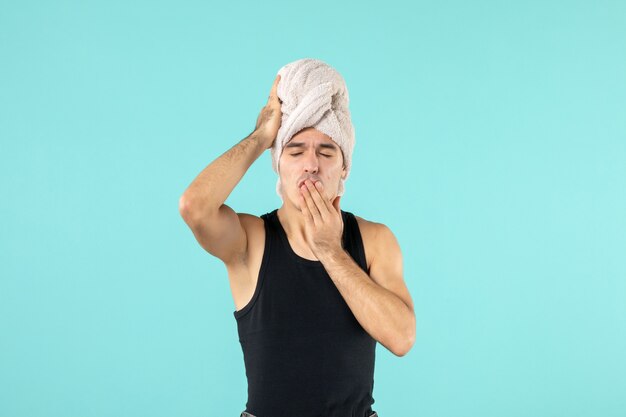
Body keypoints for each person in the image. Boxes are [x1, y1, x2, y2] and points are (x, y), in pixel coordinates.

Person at [179, 59, 415, 417]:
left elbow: (401, 338)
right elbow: (194, 207)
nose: (311, 164)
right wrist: (261, 137)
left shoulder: (374, 239)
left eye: (326, 151)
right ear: (278, 162)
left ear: (344, 167)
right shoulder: (252, 240)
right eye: (295, 150)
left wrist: (330, 251)